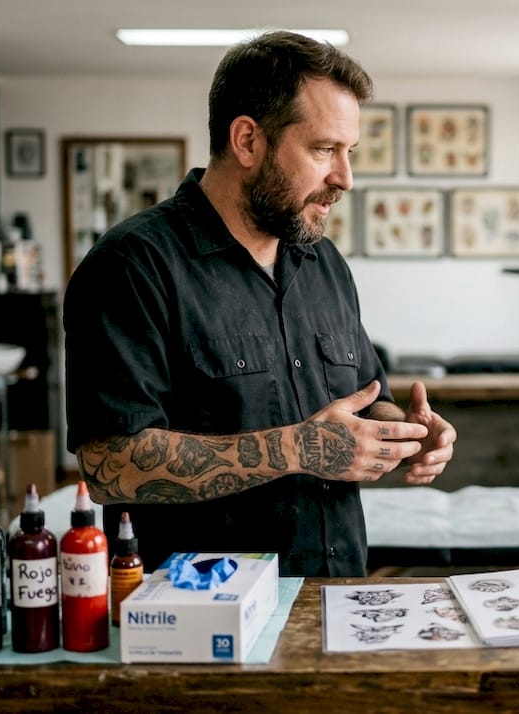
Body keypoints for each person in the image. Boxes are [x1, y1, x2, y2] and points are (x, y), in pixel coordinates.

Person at [63, 32, 456, 577]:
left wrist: (407, 433)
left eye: (348, 153)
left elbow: (365, 402)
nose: (345, 177)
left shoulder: (324, 263)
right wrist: (299, 448)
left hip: (334, 594)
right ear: (247, 140)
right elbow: (109, 466)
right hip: (200, 617)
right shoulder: (131, 266)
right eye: (324, 150)